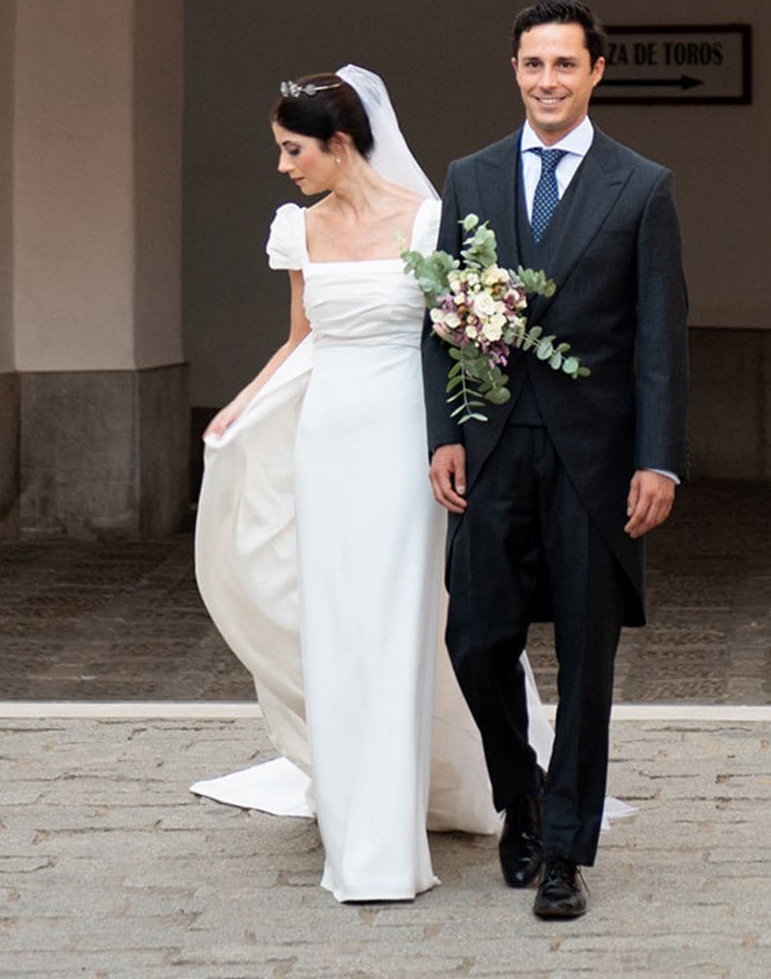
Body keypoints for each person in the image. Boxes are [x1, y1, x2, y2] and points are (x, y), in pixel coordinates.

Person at [190, 65, 558, 903]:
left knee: (405, 621)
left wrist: (460, 436)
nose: (285, 166)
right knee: (338, 622)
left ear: (341, 142)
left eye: (294, 149)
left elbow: (460, 340)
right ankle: (357, 822)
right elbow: (298, 339)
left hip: (406, 438)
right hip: (329, 437)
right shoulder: (299, 229)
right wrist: (237, 412)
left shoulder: (429, 219)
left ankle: (403, 832)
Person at [424, 0, 689, 921]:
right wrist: (444, 432)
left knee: (586, 656)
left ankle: (565, 852)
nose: (548, 81)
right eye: (534, 65)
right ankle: (522, 793)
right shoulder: (471, 176)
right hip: (493, 449)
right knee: (474, 639)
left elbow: (660, 338)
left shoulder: (641, 186)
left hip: (596, 460)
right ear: (515, 71)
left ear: (595, 73)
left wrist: (659, 459)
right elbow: (441, 320)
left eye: (565, 66)